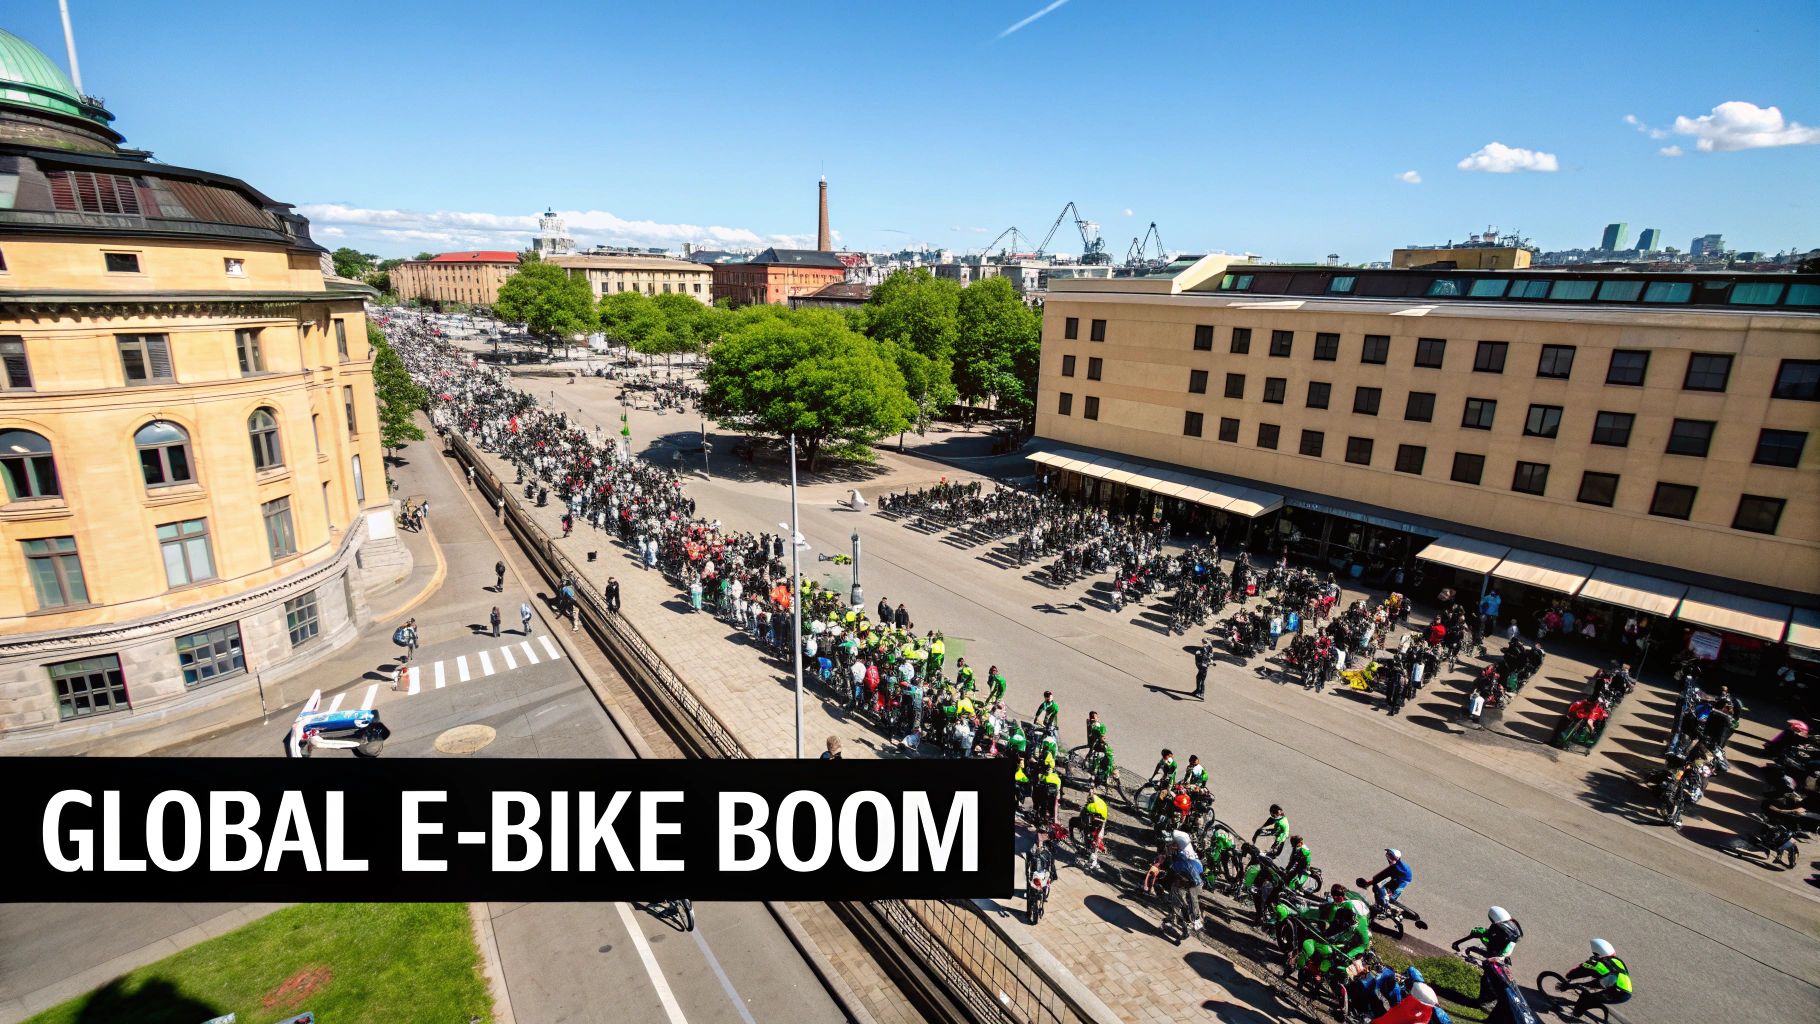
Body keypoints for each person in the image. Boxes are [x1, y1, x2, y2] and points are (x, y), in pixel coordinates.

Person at [1453, 906, 1523, 1006]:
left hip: (1496, 957)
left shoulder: (1498, 928)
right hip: (1503, 954)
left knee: (1486, 979)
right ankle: (1488, 999)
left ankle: (1483, 1001)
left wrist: (1480, 937)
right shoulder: (1513, 926)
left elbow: (1489, 941)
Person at [1565, 939, 1633, 1016]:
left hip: (1616, 993)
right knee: (1591, 989)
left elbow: (1572, 975)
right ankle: (1588, 1005)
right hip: (1627, 992)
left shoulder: (1596, 964)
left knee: (1586, 995)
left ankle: (1574, 1016)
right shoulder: (1618, 961)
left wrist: (1569, 984)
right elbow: (1602, 980)